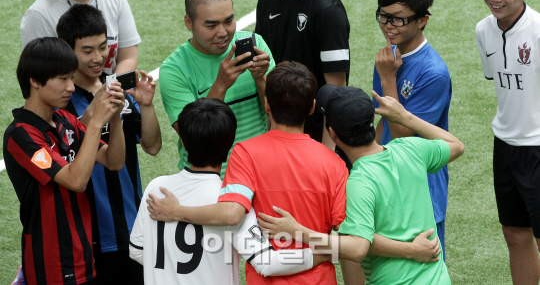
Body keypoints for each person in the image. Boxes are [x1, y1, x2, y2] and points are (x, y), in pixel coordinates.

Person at [147, 62, 439, 285]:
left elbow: (232, 214)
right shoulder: (334, 164)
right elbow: (350, 243)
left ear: (266, 104)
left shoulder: (244, 153)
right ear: (312, 108)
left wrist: (177, 211)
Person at [258, 86, 465, 284]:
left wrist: (297, 231)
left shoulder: (358, 183)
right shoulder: (410, 149)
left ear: (332, 134)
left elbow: (357, 248)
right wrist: (404, 116)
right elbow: (456, 146)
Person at [130, 98, 327, 284]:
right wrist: (326, 252)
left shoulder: (156, 188)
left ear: (183, 141)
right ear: (230, 143)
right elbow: (268, 262)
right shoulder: (232, 201)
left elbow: (137, 250)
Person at [3, 37, 125, 285]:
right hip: (51, 265)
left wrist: (114, 118)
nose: (70, 87)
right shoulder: (21, 134)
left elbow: (114, 161)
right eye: (63, 79)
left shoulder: (65, 119)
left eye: (71, 77)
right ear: (35, 81)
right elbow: (76, 180)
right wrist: (96, 123)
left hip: (84, 256)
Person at [55, 4, 162, 284]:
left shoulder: (117, 88)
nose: (98, 57)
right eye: (87, 50)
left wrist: (146, 106)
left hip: (132, 225)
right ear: (68, 51)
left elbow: (152, 146)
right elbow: (63, 154)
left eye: (103, 47)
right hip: (88, 233)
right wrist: (89, 116)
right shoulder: (62, 102)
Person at [371, 0, 452, 258]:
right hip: (390, 182)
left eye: (398, 19)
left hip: (423, 189)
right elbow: (382, 121)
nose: (388, 26)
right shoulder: (388, 57)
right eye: (383, 16)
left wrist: (388, 78)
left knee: (426, 266)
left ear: (422, 19)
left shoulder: (433, 73)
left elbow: (407, 139)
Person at [160, 0, 273, 177]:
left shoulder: (256, 45)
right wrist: (220, 85)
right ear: (189, 23)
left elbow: (279, 116)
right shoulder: (174, 69)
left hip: (260, 172)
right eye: (211, 25)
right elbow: (191, 139)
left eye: (229, 21)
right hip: (209, 181)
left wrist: (261, 79)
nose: (222, 33)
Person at [475, 0, 540, 285]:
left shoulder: (539, 32)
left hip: (538, 146)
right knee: (515, 233)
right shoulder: (483, 30)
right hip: (505, 145)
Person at [255, 0, 350, 153]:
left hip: (314, 138)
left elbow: (336, 90)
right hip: (276, 133)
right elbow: (265, 68)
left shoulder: (327, 9)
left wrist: (327, 154)